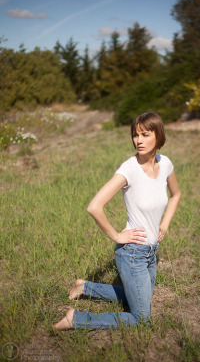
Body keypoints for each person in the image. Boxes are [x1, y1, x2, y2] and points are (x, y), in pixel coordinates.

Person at [54, 111, 181, 331]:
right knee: (142, 319)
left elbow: (176, 195)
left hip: (151, 251)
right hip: (132, 253)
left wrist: (164, 225)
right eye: (135, 134)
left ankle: (85, 287)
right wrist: (117, 235)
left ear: (158, 136)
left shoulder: (165, 164)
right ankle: (77, 319)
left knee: (142, 298)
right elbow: (94, 206)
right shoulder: (130, 169)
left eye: (145, 134)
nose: (138, 140)